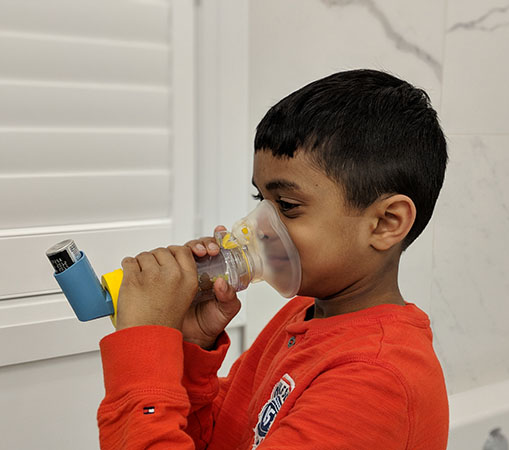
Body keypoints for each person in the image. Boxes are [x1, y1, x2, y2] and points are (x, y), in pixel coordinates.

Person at [97, 69, 449, 449]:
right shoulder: (300, 316)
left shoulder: (375, 377)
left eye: (287, 205)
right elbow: (222, 438)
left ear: (385, 223)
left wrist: (144, 351)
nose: (258, 227)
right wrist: (190, 346)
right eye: (261, 202)